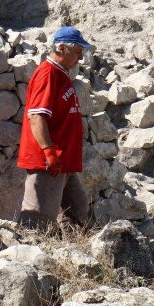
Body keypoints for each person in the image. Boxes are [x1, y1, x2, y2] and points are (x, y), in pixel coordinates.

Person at [17, 27, 92, 230]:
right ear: (61, 48)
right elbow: (37, 116)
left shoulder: (60, 74)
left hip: (62, 162)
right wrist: (48, 151)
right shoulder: (47, 74)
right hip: (48, 162)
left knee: (78, 211)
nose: (81, 58)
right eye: (77, 52)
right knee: (36, 219)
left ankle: (73, 253)